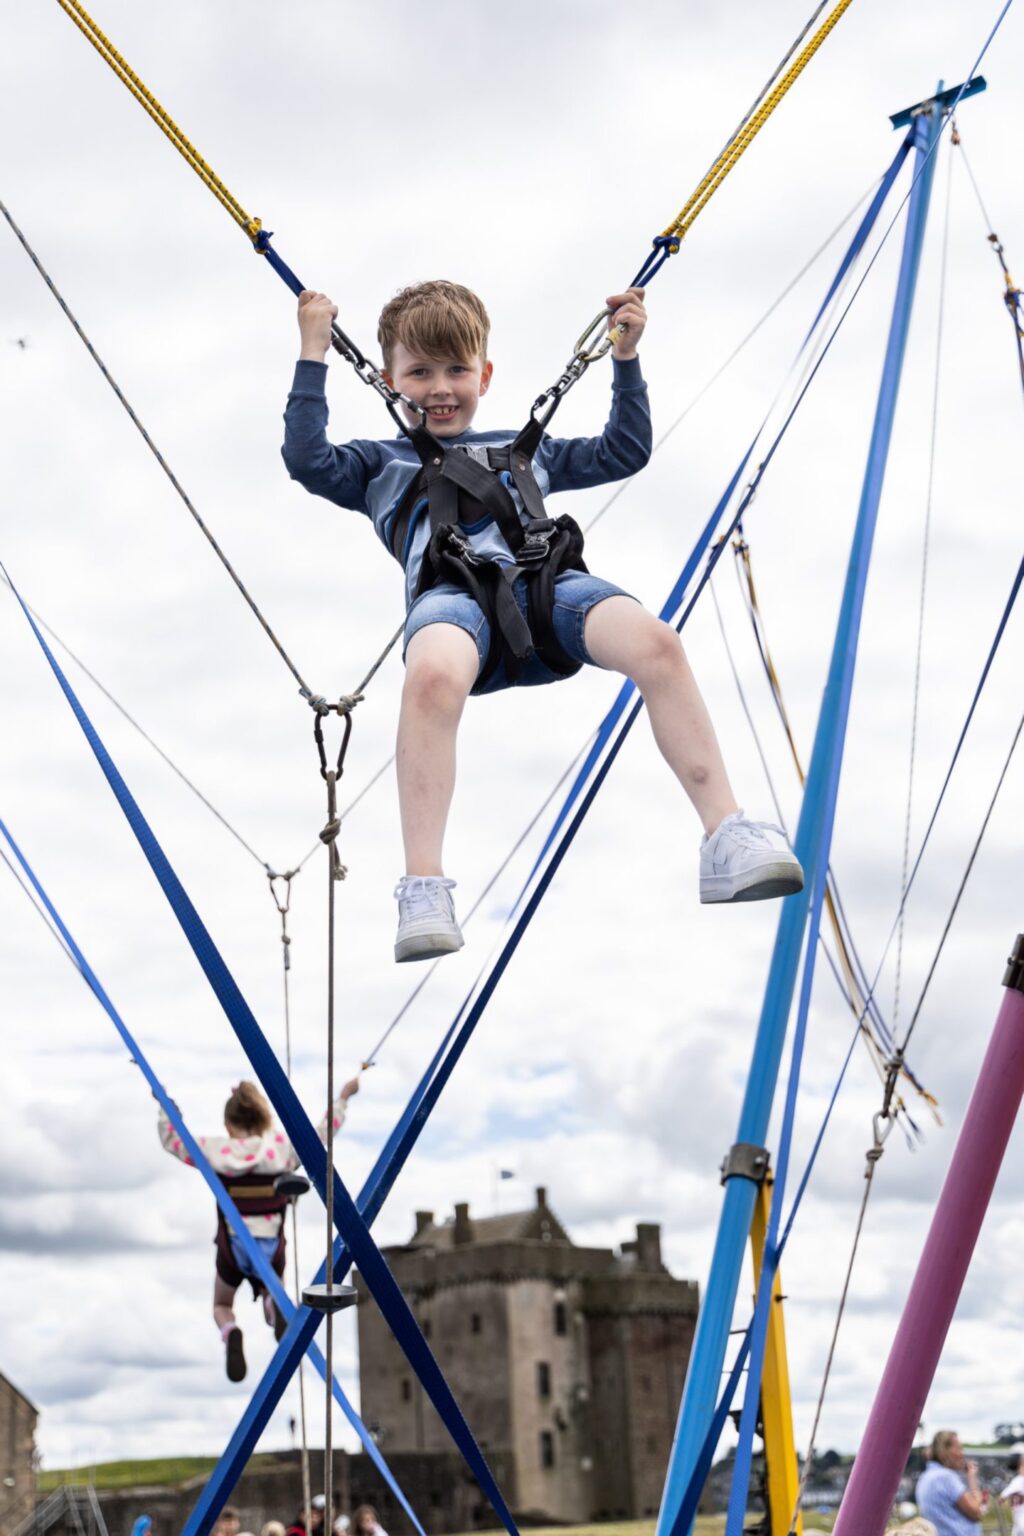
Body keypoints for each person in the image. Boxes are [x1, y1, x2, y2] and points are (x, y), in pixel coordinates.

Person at [283, 280, 804, 963]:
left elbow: (624, 451)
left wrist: (624, 359)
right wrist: (313, 352)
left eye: (456, 371)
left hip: (549, 589)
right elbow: (306, 459)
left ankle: (726, 832)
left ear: (485, 375)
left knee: (657, 642)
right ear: (389, 379)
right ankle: (424, 885)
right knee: (432, 674)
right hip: (452, 598)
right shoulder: (379, 462)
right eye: (419, 373)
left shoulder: (531, 448)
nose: (440, 388)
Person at [158, 1078, 359, 1381]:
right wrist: (343, 1098)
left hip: (234, 1246)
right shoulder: (281, 1149)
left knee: (222, 1303)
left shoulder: (216, 1150)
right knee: (272, 1284)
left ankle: (230, 1330)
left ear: (228, 1124)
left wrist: (165, 1109)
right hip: (271, 1246)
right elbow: (322, 1135)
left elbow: (173, 1142)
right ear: (264, 1119)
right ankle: (270, 1303)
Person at [915, 1431, 989, 1532]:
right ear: (945, 1451)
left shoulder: (925, 1477)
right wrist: (972, 1478)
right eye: (959, 1448)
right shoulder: (946, 1477)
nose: (962, 1453)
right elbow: (976, 1512)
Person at [1001, 1455, 1024, 1534]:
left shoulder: (1018, 1480)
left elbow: (1003, 1496)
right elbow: (1003, 1495)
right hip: (1019, 1515)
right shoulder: (1018, 1480)